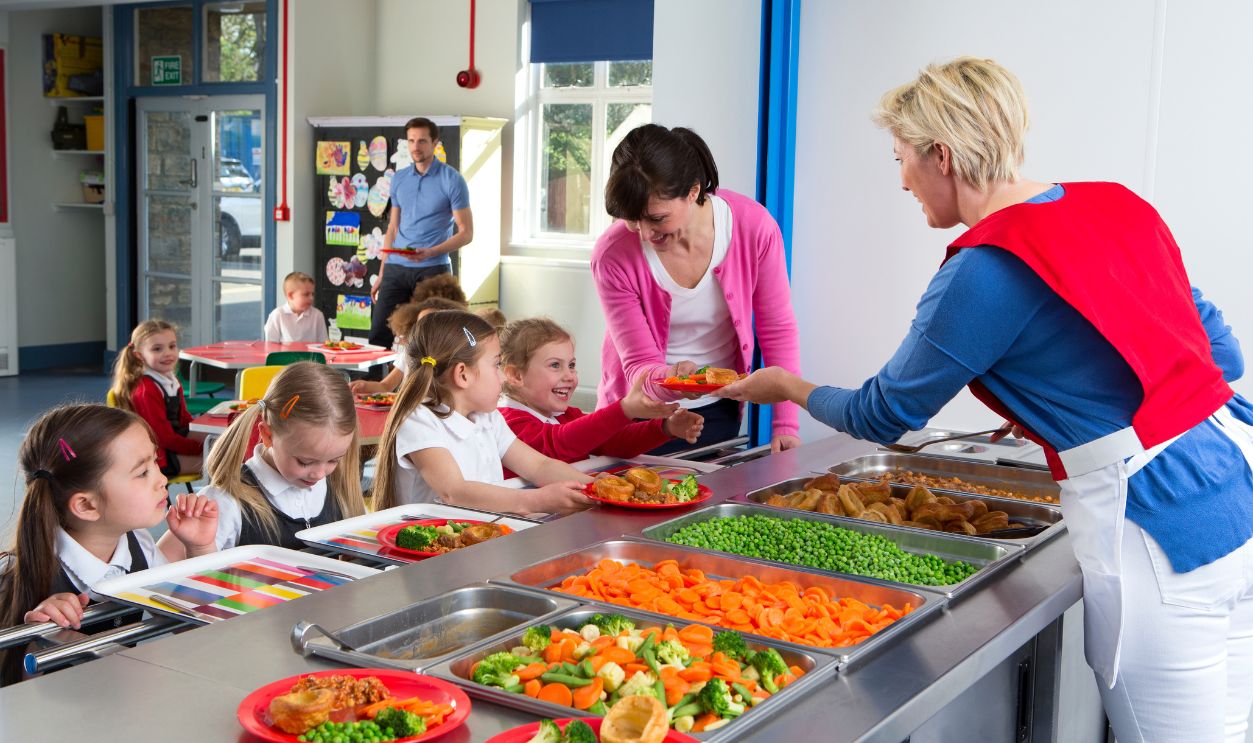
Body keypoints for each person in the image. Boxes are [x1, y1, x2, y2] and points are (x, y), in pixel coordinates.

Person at [716, 57, 1253, 743]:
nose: (902, 179)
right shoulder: (1118, 203)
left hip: (1158, 527)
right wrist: (1051, 390)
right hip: (1232, 492)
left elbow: (883, 414)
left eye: (902, 158)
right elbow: (1219, 359)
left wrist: (786, 384)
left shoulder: (983, 268)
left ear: (941, 155)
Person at [593, 124, 802, 455]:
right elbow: (637, 364)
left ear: (693, 191)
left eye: (657, 218)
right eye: (632, 220)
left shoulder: (753, 227)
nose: (645, 234)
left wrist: (786, 424)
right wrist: (673, 382)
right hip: (637, 416)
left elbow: (777, 329)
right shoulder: (613, 254)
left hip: (717, 411)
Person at [0, 404, 218, 685]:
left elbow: (193, 627)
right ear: (87, 505)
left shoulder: (138, 545)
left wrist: (199, 549)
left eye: (155, 462)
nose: (162, 479)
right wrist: (37, 638)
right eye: (142, 473)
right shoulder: (12, 575)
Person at [371, 310, 594, 515]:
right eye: (496, 365)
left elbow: (539, 466)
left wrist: (594, 486)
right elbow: (453, 491)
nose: (504, 377)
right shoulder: (419, 421)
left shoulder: (488, 418)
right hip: (432, 554)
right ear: (463, 375)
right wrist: (535, 500)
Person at [161, 363, 366, 555]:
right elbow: (156, 568)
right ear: (268, 435)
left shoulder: (339, 485)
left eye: (334, 460)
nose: (320, 474)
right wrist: (200, 548)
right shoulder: (226, 501)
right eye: (304, 462)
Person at [497, 317, 703, 478]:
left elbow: (614, 442)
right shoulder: (507, 421)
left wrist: (665, 428)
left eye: (571, 365)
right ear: (516, 376)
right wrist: (624, 409)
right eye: (554, 365)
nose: (569, 376)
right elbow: (559, 443)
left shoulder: (565, 415)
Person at [368, 117, 474, 351]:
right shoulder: (399, 178)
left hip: (433, 270)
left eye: (422, 141)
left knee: (434, 341)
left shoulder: (452, 180)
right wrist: (382, 273)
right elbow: (392, 228)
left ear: (435, 142)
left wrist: (431, 252)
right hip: (396, 268)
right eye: (411, 141)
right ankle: (373, 387)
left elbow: (466, 233)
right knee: (378, 338)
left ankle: (426, 387)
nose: (416, 147)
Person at [110, 320, 204, 478]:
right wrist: (200, 448)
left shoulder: (169, 379)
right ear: (139, 355)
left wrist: (207, 438)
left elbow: (184, 420)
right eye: (157, 349)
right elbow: (162, 438)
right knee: (219, 463)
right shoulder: (146, 390)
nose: (167, 353)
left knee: (221, 442)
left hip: (172, 441)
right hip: (158, 456)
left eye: (172, 346)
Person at [350, 296, 468, 395]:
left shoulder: (454, 359)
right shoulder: (408, 354)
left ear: (448, 328)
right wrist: (364, 386)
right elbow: (385, 386)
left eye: (431, 324)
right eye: (420, 323)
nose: (423, 328)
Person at [263, 271, 327, 343]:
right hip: (285, 354)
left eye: (312, 294)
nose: (311, 298)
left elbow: (323, 344)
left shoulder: (317, 315)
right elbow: (270, 346)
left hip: (311, 354)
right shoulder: (277, 315)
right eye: (306, 294)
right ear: (290, 295)